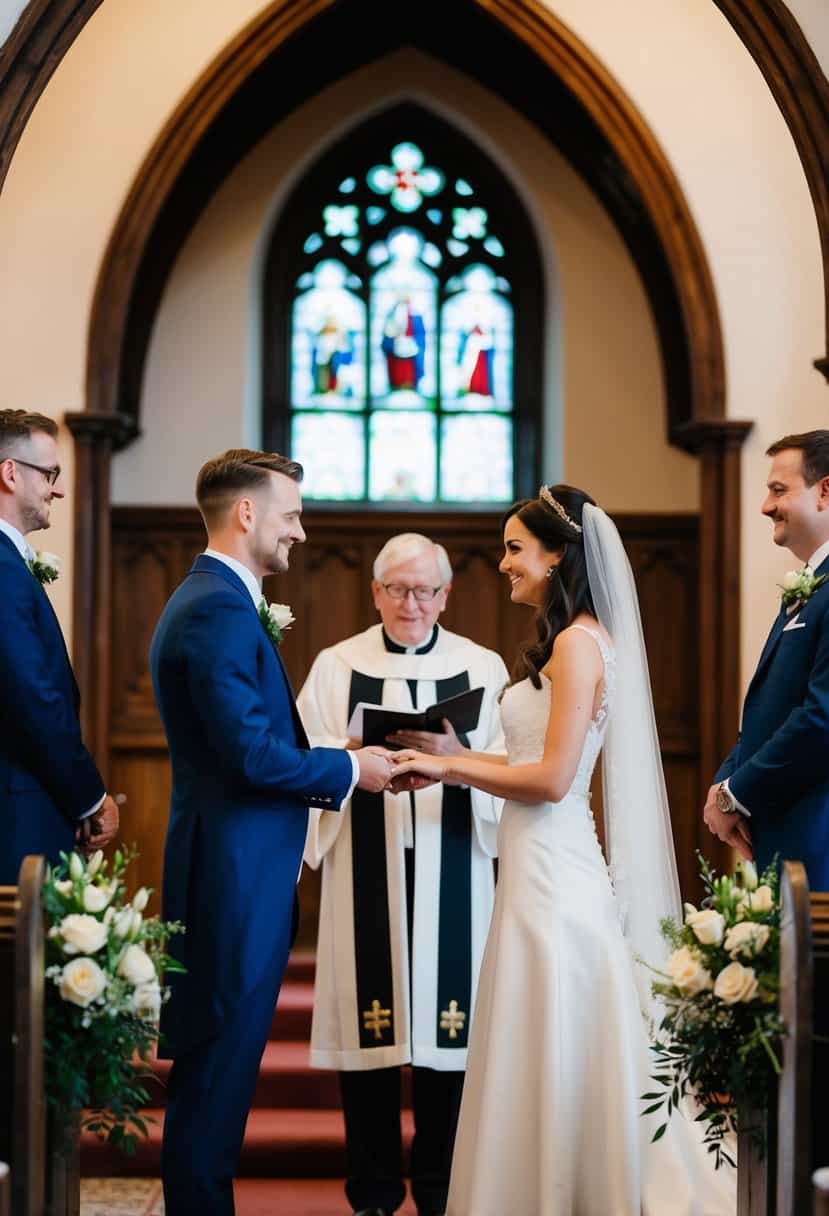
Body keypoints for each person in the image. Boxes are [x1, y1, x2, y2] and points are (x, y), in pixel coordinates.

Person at [392, 486, 735, 1216]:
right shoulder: (565, 642)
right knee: (536, 1030)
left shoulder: (580, 644)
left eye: (516, 547)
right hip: (532, 867)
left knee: (551, 1024)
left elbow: (550, 781)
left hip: (554, 873)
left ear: (557, 555)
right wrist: (457, 753)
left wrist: (450, 768)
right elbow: (529, 760)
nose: (504, 562)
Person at [150, 449, 393, 1216]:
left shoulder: (217, 600)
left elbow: (249, 744)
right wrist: (352, 775)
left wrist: (340, 757)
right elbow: (250, 756)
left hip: (236, 870)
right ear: (247, 513)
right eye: (290, 514)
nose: (300, 531)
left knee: (219, 1082)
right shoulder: (218, 608)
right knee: (214, 1086)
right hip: (232, 879)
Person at [298, 532, 508, 1216]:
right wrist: (350, 753)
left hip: (453, 864)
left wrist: (458, 754)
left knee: (450, 1043)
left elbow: (512, 767)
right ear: (375, 592)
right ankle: (375, 1194)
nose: (409, 604)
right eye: (396, 589)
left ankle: (442, 1190)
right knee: (372, 1041)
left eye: (423, 590)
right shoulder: (336, 665)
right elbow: (302, 756)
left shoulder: (482, 667)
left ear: (446, 595)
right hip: (367, 863)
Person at [705, 430, 829, 889]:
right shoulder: (808, 587)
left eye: (779, 490)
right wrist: (724, 782)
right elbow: (772, 711)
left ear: (825, 491)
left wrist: (735, 795)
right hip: (787, 833)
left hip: (817, 835)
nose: (764, 506)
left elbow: (821, 717)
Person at [0, 409, 118, 883]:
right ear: (10, 473)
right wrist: (89, 797)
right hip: (17, 816)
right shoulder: (3, 568)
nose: (59, 488)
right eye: (50, 473)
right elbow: (32, 697)